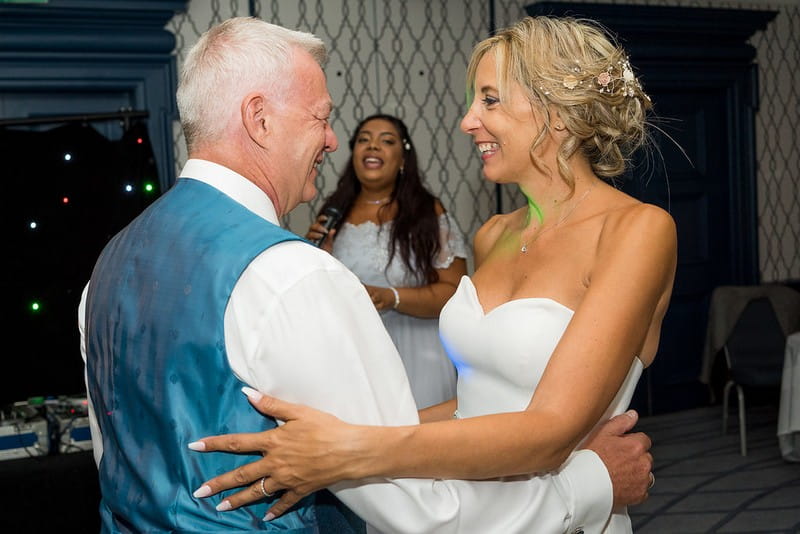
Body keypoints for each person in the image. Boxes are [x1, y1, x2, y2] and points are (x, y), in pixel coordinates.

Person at [79, 15, 653, 534]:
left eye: (489, 99)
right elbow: (421, 511)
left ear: (555, 109)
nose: (333, 139)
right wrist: (589, 485)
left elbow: (114, 451)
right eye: (323, 120)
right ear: (258, 118)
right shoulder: (291, 273)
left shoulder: (112, 259)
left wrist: (351, 444)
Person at [306, 113, 468, 409]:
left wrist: (390, 297)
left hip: (419, 352)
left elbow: (454, 293)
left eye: (387, 141)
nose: (373, 147)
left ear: (403, 158)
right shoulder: (334, 212)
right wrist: (318, 256)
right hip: (356, 354)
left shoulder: (427, 213)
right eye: (364, 140)